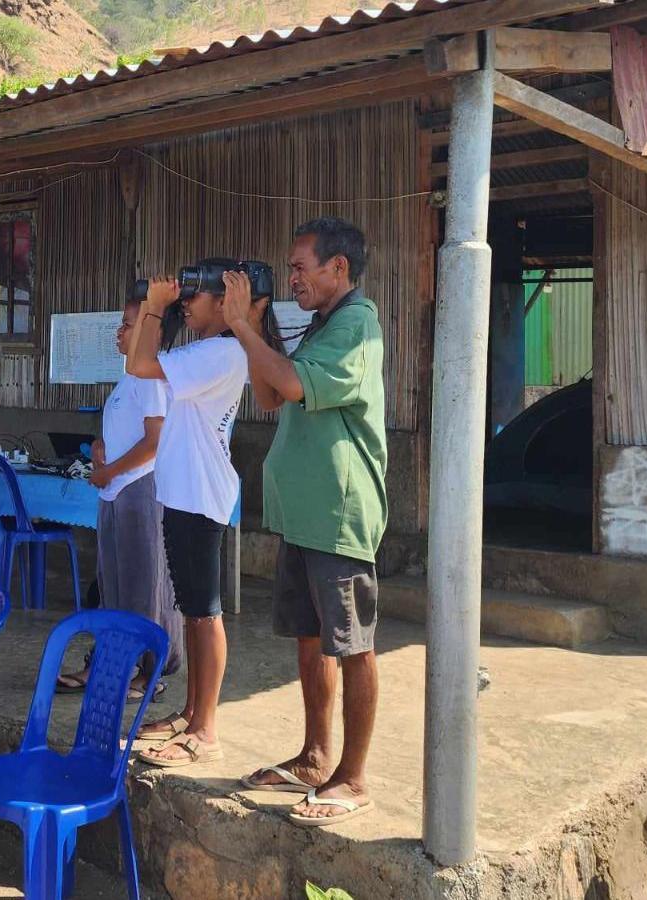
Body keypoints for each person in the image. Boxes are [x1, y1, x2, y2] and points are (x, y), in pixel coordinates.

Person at [231, 218, 386, 827]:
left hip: (339, 512)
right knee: (309, 636)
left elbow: (292, 384)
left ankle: (353, 777)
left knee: (353, 644)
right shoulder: (322, 324)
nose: (292, 276)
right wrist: (253, 331)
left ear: (338, 269)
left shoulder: (358, 323)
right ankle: (316, 757)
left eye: (301, 267)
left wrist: (244, 324)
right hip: (304, 514)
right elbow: (270, 396)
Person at [125, 259, 257, 769]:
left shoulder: (221, 350)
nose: (186, 303)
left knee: (204, 614)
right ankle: (189, 713)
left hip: (201, 496)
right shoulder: (209, 350)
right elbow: (137, 362)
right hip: (187, 493)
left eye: (194, 296)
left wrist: (154, 307)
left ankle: (206, 729)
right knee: (192, 611)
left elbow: (140, 364)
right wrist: (154, 313)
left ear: (225, 302)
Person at [56, 297, 183, 699]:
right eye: (122, 324)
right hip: (115, 489)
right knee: (113, 588)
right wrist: (100, 446)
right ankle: (110, 664)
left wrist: (111, 470)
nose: (120, 332)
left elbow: (155, 441)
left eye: (129, 325)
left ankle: (147, 673)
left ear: (154, 331)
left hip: (137, 488)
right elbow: (125, 431)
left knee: (141, 589)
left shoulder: (151, 378)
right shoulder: (130, 378)